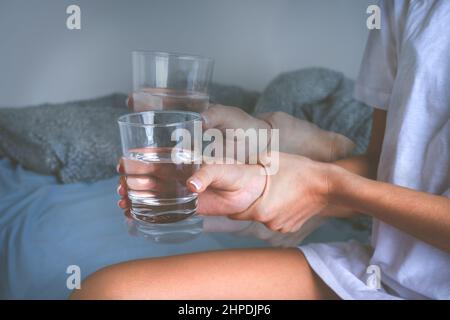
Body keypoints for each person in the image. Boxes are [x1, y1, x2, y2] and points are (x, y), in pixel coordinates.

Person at [71, 0, 450, 299]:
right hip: (385, 272)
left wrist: (323, 186)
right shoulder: (403, 5)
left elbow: (342, 185)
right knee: (106, 294)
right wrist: (263, 186)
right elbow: (386, 170)